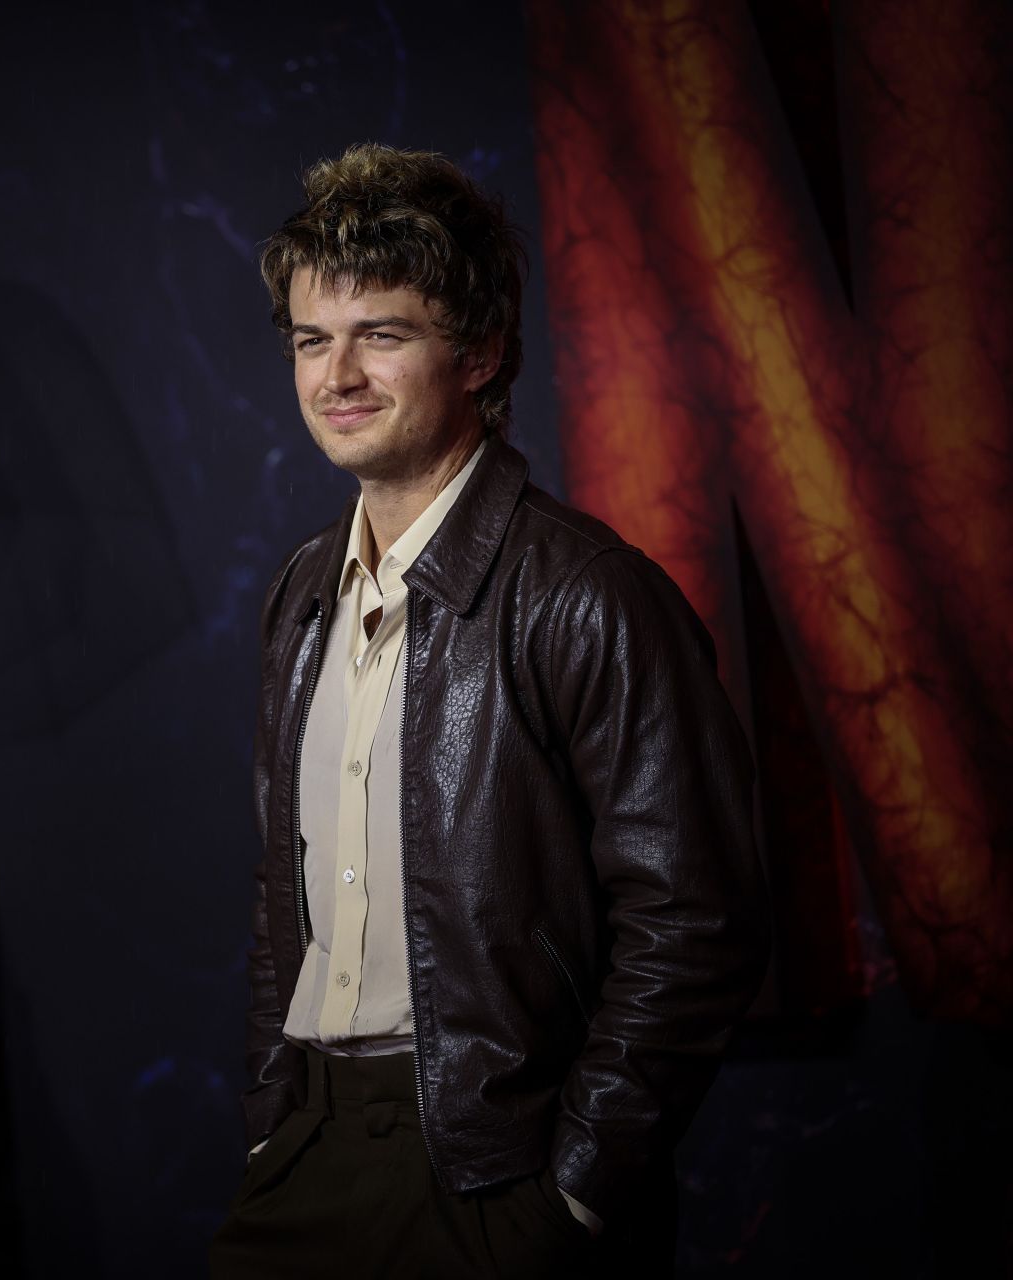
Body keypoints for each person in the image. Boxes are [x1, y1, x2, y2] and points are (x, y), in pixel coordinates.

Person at [208, 145, 769, 1278]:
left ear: (483, 352)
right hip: (310, 1146)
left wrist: (570, 1194)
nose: (339, 374)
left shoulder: (587, 593)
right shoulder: (304, 594)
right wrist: (274, 1115)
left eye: (385, 333)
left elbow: (696, 921)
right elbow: (287, 896)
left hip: (496, 1169)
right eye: (315, 340)